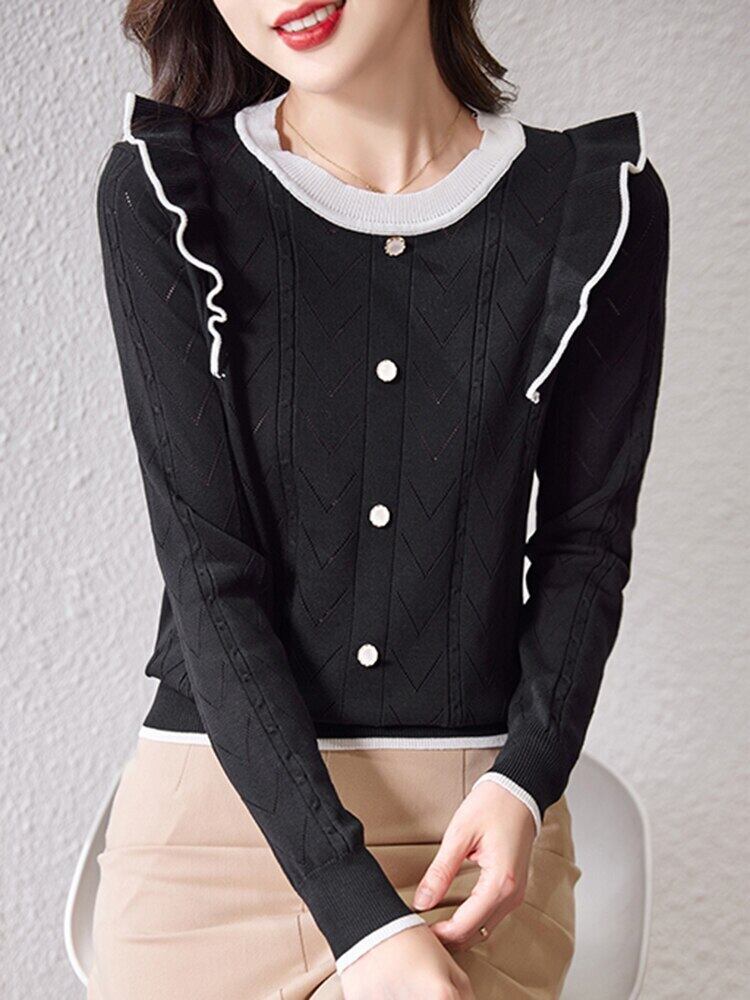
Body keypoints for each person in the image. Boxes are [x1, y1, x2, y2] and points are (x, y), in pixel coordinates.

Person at [80, 1, 669, 997]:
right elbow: (208, 576)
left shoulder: (597, 200)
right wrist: (362, 921)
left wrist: (527, 778)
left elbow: (587, 545)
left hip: (475, 845)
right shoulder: (166, 191)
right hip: (216, 842)